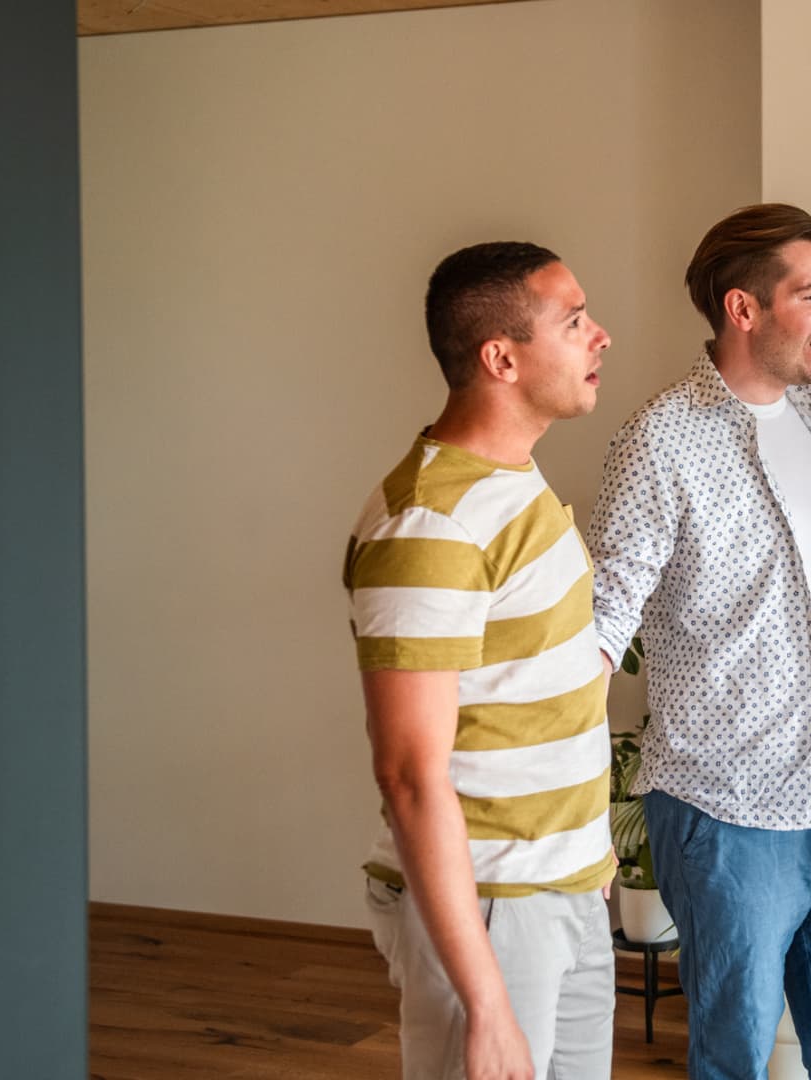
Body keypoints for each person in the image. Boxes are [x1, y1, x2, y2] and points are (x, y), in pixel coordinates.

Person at [587, 203, 811, 1078]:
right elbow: (603, 622)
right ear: (744, 310)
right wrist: (569, 803)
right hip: (724, 796)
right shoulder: (660, 439)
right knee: (735, 1054)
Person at [343, 241, 618, 1080]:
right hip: (492, 909)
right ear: (501, 357)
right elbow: (410, 775)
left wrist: (579, 864)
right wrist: (488, 1003)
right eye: (573, 322)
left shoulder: (511, 484)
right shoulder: (428, 526)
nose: (599, 335)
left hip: (558, 890)